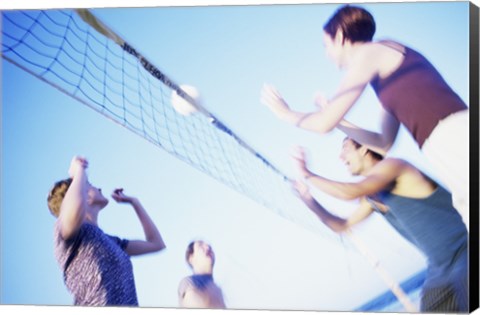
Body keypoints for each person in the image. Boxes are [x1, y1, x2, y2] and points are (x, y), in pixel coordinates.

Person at [261, 4, 469, 229]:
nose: (327, 54)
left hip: (454, 136)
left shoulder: (370, 52)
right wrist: (338, 120)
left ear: (340, 37)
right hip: (443, 146)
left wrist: (285, 113)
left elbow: (323, 124)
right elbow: (383, 144)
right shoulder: (385, 74)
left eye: (326, 45)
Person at [290, 138, 468, 312]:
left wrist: (306, 173)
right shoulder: (372, 198)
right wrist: (308, 200)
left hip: (466, 251)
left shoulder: (395, 166)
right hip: (440, 270)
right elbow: (341, 226)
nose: (340, 157)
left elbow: (349, 192)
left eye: (345, 148)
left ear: (364, 149)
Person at [47, 156, 166, 306]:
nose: (98, 188)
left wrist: (134, 202)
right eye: (89, 184)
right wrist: (78, 171)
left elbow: (156, 244)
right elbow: (74, 209)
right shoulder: (64, 232)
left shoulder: (113, 242)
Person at [178, 240, 226, 309]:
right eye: (200, 246)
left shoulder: (218, 289)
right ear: (191, 258)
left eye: (209, 246)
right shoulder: (190, 282)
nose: (207, 247)